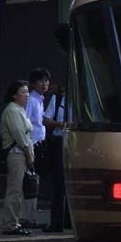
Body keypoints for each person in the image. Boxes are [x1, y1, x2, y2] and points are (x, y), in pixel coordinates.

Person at [22, 68, 59, 229]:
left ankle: (31, 218)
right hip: (32, 144)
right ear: (33, 83)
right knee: (29, 181)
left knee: (33, 181)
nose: (45, 83)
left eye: (47, 80)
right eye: (41, 80)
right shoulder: (31, 100)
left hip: (38, 144)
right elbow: (26, 122)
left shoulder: (40, 100)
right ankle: (25, 218)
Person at [0, 79, 34, 236]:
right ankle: (10, 224)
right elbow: (20, 135)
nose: (27, 95)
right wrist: (29, 154)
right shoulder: (12, 110)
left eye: (27, 91)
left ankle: (15, 222)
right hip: (16, 154)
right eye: (23, 92)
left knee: (18, 190)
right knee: (14, 190)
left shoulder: (20, 110)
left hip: (21, 154)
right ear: (14, 95)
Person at [44, 84, 70, 232]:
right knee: (58, 184)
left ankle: (69, 221)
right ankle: (56, 222)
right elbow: (46, 120)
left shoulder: (84, 99)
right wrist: (60, 124)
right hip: (59, 142)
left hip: (77, 142)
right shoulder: (57, 98)